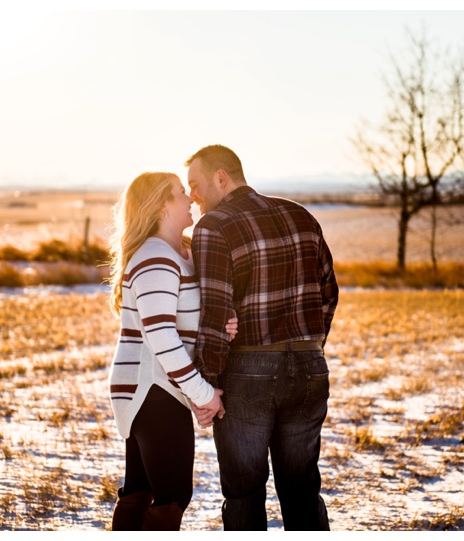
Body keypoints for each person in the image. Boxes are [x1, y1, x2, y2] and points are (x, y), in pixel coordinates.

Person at [186, 145, 339, 531]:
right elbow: (329, 292)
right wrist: (308, 347)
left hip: (247, 370)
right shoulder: (301, 215)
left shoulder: (214, 225)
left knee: (244, 493)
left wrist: (207, 384)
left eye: (196, 185)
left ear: (222, 177)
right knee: (302, 489)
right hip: (309, 367)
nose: (192, 196)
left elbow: (216, 314)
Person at [107, 171, 237, 531]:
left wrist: (222, 324)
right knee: (172, 495)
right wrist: (204, 393)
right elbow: (161, 335)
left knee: (141, 488)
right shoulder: (155, 257)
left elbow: (182, 319)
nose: (191, 198)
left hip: (161, 388)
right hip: (152, 390)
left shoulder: (179, 253)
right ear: (163, 206)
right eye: (182, 193)